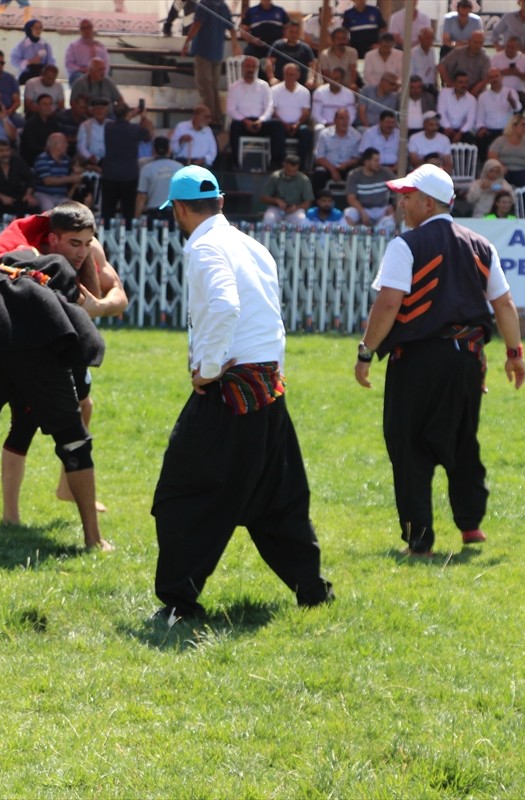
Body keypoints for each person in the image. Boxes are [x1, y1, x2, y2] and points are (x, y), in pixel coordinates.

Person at [151, 164, 334, 620]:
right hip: (268, 386)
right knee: (278, 497)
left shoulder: (206, 246)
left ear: (178, 208)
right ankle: (312, 590)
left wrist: (208, 369)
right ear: (220, 202)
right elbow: (271, 317)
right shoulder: (253, 246)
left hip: (230, 389)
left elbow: (224, 303)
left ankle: (179, 602)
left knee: (184, 493)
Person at [355, 163, 525, 558]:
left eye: (408, 195)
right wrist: (515, 355)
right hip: (468, 360)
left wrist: (366, 351)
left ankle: (420, 541)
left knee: (409, 447)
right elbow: (504, 302)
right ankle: (471, 526)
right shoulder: (482, 246)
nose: (402, 202)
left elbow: (388, 303)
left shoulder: (406, 245)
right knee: (461, 441)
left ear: (427, 202)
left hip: (417, 359)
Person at [0, 204, 112, 552]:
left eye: (86, 244)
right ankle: (93, 540)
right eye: (74, 244)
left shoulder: (78, 252)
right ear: (52, 236)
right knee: (73, 438)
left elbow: (115, 299)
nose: (81, 252)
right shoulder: (22, 240)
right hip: (29, 344)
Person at [182, 0, 235, 126]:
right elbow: (231, 27)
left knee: (205, 86)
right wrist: (235, 45)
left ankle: (208, 118)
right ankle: (217, 117)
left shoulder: (204, 4)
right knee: (213, 87)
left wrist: (187, 42)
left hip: (203, 50)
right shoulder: (223, 6)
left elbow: (197, 24)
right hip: (217, 52)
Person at [227, 56, 284, 170]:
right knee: (234, 125)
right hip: (243, 122)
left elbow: (269, 106)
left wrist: (261, 120)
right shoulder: (235, 87)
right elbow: (231, 109)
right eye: (248, 66)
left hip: (260, 122)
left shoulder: (264, 86)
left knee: (277, 125)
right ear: (243, 67)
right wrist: (245, 120)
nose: (251, 69)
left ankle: (275, 163)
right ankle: (235, 164)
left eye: (253, 67)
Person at [270, 63, 314, 169]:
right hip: (281, 124)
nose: (289, 77)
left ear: (297, 76)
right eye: (287, 74)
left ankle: (300, 164)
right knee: (276, 127)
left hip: (297, 125)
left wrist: (296, 125)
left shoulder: (304, 92)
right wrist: (284, 124)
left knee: (306, 132)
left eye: (292, 74)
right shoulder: (275, 90)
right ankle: (280, 163)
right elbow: (273, 111)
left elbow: (305, 112)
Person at [0, 137, 38, 215]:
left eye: (7, 150)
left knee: (33, 205)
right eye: (1, 151)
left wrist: (28, 194)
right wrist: (2, 197)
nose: (5, 154)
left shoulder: (18, 162)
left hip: (16, 195)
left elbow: (30, 179)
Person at [343, 146, 396, 231]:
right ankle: (348, 241)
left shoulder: (385, 172)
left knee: (390, 220)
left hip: (381, 208)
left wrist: (394, 207)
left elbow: (399, 189)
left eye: (379, 160)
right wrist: (363, 212)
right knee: (349, 213)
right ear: (366, 162)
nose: (379, 163)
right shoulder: (354, 175)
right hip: (362, 208)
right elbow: (351, 199)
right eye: (376, 161)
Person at [313, 107, 363, 192]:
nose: (345, 122)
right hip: (328, 167)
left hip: (347, 168)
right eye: (341, 119)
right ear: (335, 120)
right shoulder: (325, 134)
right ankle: (315, 202)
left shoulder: (356, 136)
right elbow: (319, 157)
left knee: (356, 174)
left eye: (347, 118)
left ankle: (352, 202)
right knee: (319, 174)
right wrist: (332, 170)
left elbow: (358, 157)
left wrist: (347, 164)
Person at [137, 136, 183, 221]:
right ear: (169, 149)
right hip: (175, 213)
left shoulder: (147, 169)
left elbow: (141, 197)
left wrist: (136, 218)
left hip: (154, 213)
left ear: (153, 150)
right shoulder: (179, 168)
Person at [260, 153, 313, 225]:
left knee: (302, 220)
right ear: (284, 165)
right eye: (288, 170)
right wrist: (276, 200)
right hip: (277, 208)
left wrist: (296, 207)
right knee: (268, 218)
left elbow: (307, 202)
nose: (291, 173)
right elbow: (264, 198)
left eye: (294, 171)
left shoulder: (304, 179)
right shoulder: (275, 176)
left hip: (295, 209)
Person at [10, 19, 55, 86]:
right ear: (29, 29)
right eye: (36, 27)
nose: (38, 30)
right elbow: (14, 61)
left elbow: (51, 61)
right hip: (26, 75)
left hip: (42, 75)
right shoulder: (22, 45)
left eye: (40, 28)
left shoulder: (45, 45)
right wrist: (29, 62)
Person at [64, 19, 109, 84]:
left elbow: (106, 64)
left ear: (92, 28)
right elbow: (68, 64)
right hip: (80, 74)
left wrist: (99, 73)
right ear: (80, 30)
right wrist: (82, 69)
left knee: (108, 82)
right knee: (83, 80)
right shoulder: (73, 46)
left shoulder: (100, 46)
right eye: (83, 28)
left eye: (88, 27)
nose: (86, 30)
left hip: (98, 74)